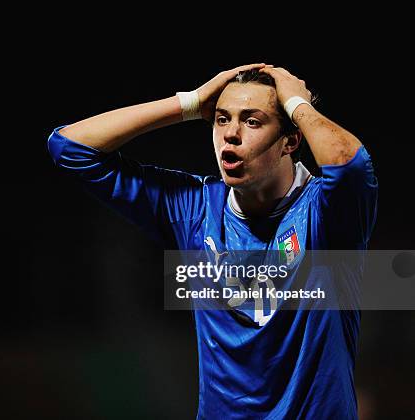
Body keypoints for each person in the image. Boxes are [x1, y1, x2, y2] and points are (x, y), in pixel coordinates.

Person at [47, 63, 378, 419]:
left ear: (291, 140)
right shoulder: (195, 209)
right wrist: (190, 103)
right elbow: (70, 148)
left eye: (252, 121)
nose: (231, 134)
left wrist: (298, 103)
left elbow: (349, 164)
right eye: (222, 119)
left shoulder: (328, 212)